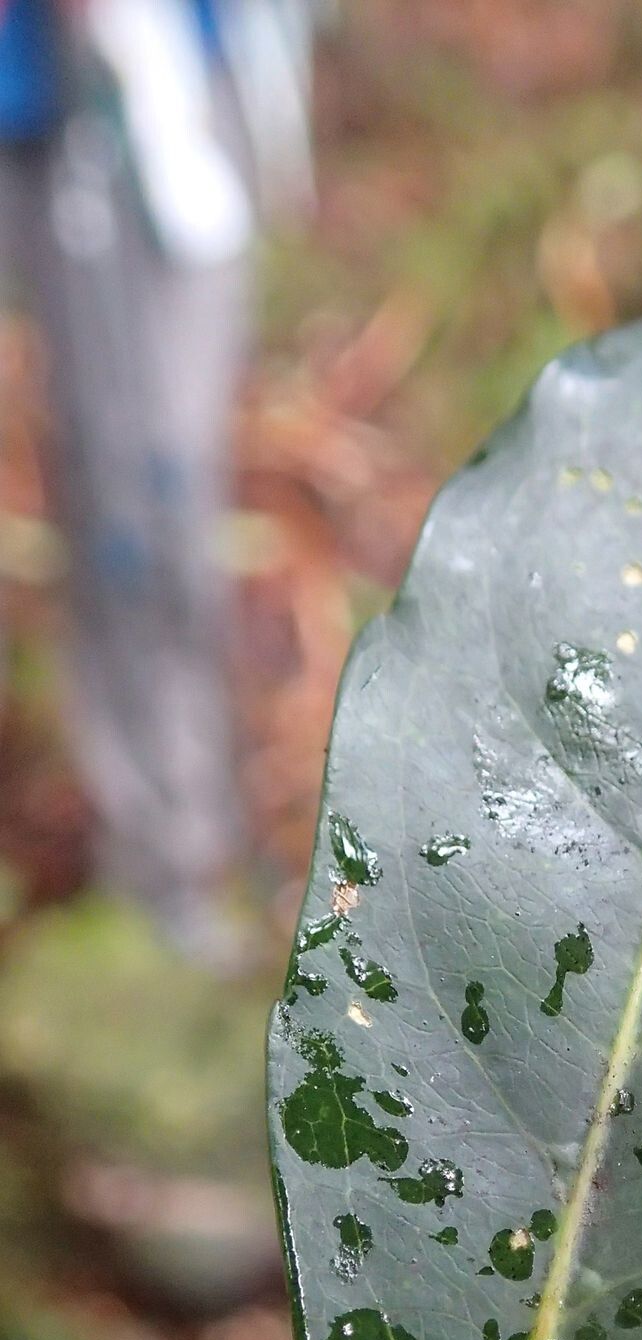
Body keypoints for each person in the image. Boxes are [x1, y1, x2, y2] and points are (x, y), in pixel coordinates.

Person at [0, 0, 314, 960]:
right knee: (123, 506)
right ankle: (158, 857)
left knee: (176, 494)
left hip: (182, 94)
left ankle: (207, 826)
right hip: (56, 121)